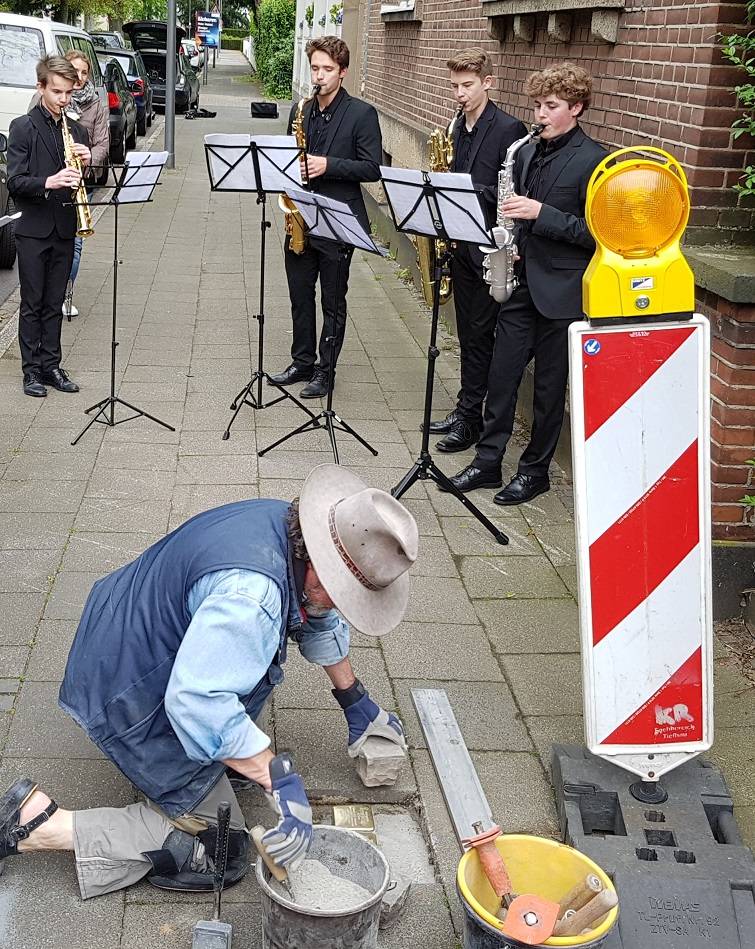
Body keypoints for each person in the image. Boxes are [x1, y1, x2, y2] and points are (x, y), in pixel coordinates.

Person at [0, 465, 418, 899]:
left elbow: (317, 617)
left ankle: (209, 766)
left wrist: (355, 701)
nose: (344, 606)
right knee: (221, 848)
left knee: (236, 747)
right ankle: (40, 824)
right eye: (343, 591)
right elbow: (198, 702)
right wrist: (279, 780)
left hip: (125, 627)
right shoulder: (251, 600)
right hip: (127, 690)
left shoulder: (295, 528)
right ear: (319, 562)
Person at [447, 63, 607, 504]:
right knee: (501, 376)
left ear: (576, 107)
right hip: (520, 282)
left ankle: (535, 471)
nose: (539, 115)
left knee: (549, 391)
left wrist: (541, 214)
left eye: (551, 106)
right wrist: (512, 242)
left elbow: (598, 233)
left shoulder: (596, 161)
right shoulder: (527, 151)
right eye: (537, 105)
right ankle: (487, 462)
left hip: (562, 294)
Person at [270, 36, 382, 400]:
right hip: (300, 217)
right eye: (315, 68)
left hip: (337, 221)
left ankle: (325, 370)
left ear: (343, 72)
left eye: (327, 69)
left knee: (332, 300)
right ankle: (301, 361)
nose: (319, 76)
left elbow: (372, 168)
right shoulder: (300, 110)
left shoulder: (362, 114)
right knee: (299, 295)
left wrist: (327, 165)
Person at [428, 48, 527, 453]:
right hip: (460, 245)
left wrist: (463, 191)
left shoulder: (508, 129)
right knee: (467, 334)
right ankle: (465, 407)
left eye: (467, 86)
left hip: (490, 249)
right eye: (454, 86)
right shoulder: (455, 128)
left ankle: (471, 419)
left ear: (488, 82)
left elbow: (512, 192)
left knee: (481, 335)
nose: (460, 94)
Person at [8, 55, 90, 398]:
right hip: (33, 229)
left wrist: (87, 164)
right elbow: (15, 182)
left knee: (56, 300)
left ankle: (51, 364)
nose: (64, 100)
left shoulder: (76, 129)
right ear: (41, 87)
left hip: (63, 226)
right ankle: (31, 371)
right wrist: (50, 181)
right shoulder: (23, 127)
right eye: (57, 92)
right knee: (33, 302)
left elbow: (83, 180)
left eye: (68, 93)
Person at [61, 50, 109, 319]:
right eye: (74, 71)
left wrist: (91, 155)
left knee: (76, 244)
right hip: (55, 182)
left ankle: (67, 294)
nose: (78, 78)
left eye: (84, 73)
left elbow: (103, 143)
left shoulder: (96, 106)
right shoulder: (52, 98)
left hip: (82, 182)